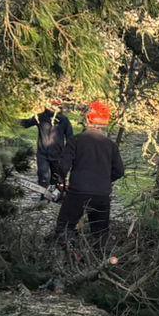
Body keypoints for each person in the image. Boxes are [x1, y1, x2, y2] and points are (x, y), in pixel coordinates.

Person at [53, 101, 123, 244]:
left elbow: (63, 165)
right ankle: (100, 262)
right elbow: (119, 171)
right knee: (100, 235)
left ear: (88, 119)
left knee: (64, 228)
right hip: (102, 195)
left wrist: (60, 181)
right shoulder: (111, 145)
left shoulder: (76, 140)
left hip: (78, 193)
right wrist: (103, 181)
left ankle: (68, 259)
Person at [19, 102, 73, 190]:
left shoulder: (64, 120)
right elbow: (26, 123)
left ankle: (56, 196)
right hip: (42, 153)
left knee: (56, 178)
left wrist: (67, 153)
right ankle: (43, 197)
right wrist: (9, 120)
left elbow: (70, 137)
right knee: (43, 176)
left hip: (58, 154)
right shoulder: (40, 117)